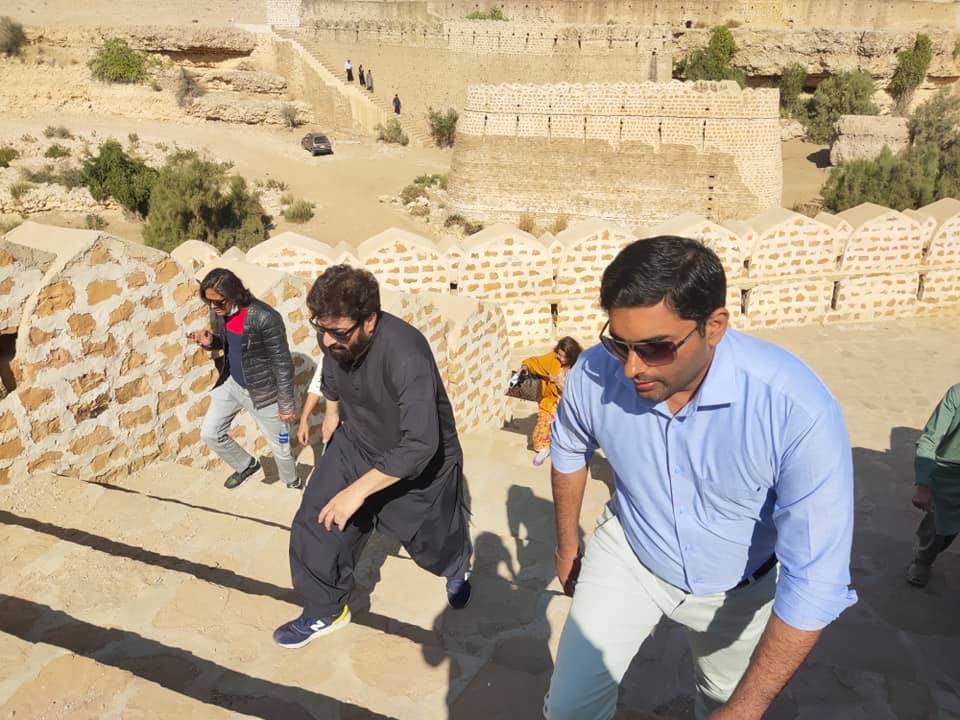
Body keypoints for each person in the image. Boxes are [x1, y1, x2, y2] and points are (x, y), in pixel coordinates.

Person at [544, 237, 857, 720]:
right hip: (631, 556)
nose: (631, 367)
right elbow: (568, 445)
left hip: (740, 587)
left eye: (655, 347)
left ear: (714, 326)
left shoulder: (794, 409)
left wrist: (746, 710)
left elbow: (816, 580)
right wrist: (567, 545)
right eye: (618, 343)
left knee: (723, 702)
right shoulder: (595, 372)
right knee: (569, 709)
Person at [274, 265, 473, 648]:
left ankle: (456, 566)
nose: (329, 341)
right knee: (316, 519)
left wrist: (358, 492)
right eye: (322, 330)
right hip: (357, 443)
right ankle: (325, 610)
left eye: (339, 332)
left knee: (432, 544)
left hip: (420, 465)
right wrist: (332, 412)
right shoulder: (335, 336)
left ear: (370, 319)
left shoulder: (406, 354)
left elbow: (420, 444)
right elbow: (331, 375)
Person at [188, 268, 299, 490]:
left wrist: (286, 404)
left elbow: (282, 363)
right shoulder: (224, 313)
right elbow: (236, 345)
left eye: (218, 302)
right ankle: (246, 465)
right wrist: (213, 341)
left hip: (263, 393)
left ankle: (292, 483)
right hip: (231, 384)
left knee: (281, 444)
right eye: (208, 302)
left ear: (234, 295)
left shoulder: (265, 317)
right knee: (210, 433)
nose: (213, 308)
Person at [905, 383, 960, 587]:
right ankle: (923, 560)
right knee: (939, 531)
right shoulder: (957, 395)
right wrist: (924, 484)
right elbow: (930, 439)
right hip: (948, 475)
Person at [522, 337, 583, 467]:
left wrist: (558, 382)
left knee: (567, 430)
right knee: (541, 428)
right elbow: (535, 362)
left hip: (569, 403)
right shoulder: (553, 358)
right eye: (559, 354)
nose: (561, 359)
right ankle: (543, 449)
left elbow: (579, 391)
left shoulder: (580, 367)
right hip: (551, 401)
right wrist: (524, 367)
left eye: (565, 357)